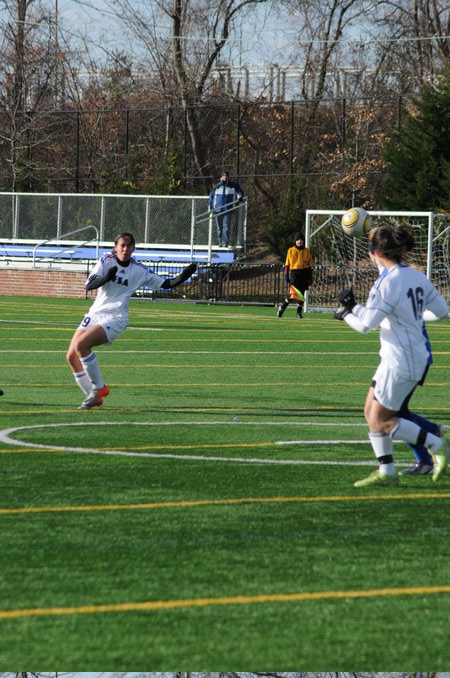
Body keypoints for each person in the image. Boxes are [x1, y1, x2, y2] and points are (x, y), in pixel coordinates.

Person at [334, 224, 449, 487]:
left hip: (400, 359)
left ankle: (436, 443)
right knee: (370, 410)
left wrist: (346, 313)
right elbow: (442, 311)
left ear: (376, 253)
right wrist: (358, 308)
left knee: (382, 419)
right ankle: (386, 470)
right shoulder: (416, 275)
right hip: (407, 355)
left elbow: (366, 325)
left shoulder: (386, 282)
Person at [67, 232, 197, 410]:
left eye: (129, 246)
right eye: (122, 245)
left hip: (115, 317)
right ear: (115, 247)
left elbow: (166, 284)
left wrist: (183, 276)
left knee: (81, 345)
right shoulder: (106, 260)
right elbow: (89, 285)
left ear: (133, 249)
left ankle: (98, 389)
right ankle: (93, 396)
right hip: (96, 313)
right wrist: (106, 278)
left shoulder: (139, 270)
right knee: (71, 355)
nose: (125, 249)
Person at [277, 231, 314, 319]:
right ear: (295, 241)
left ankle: (299, 313)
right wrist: (286, 275)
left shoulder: (306, 251)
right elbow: (287, 264)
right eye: (298, 240)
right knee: (293, 293)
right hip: (294, 274)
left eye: (301, 240)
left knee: (301, 294)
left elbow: (310, 266)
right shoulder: (290, 250)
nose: (299, 242)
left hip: (304, 273)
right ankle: (282, 308)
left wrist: (310, 276)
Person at [208, 170, 244, 247]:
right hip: (218, 209)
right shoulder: (217, 186)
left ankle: (225, 242)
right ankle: (220, 242)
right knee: (219, 227)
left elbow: (239, 192)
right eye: (224, 176)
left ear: (228, 177)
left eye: (226, 176)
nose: (225, 177)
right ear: (221, 177)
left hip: (228, 209)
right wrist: (210, 205)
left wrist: (240, 197)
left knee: (226, 227)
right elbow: (211, 196)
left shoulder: (233, 185)